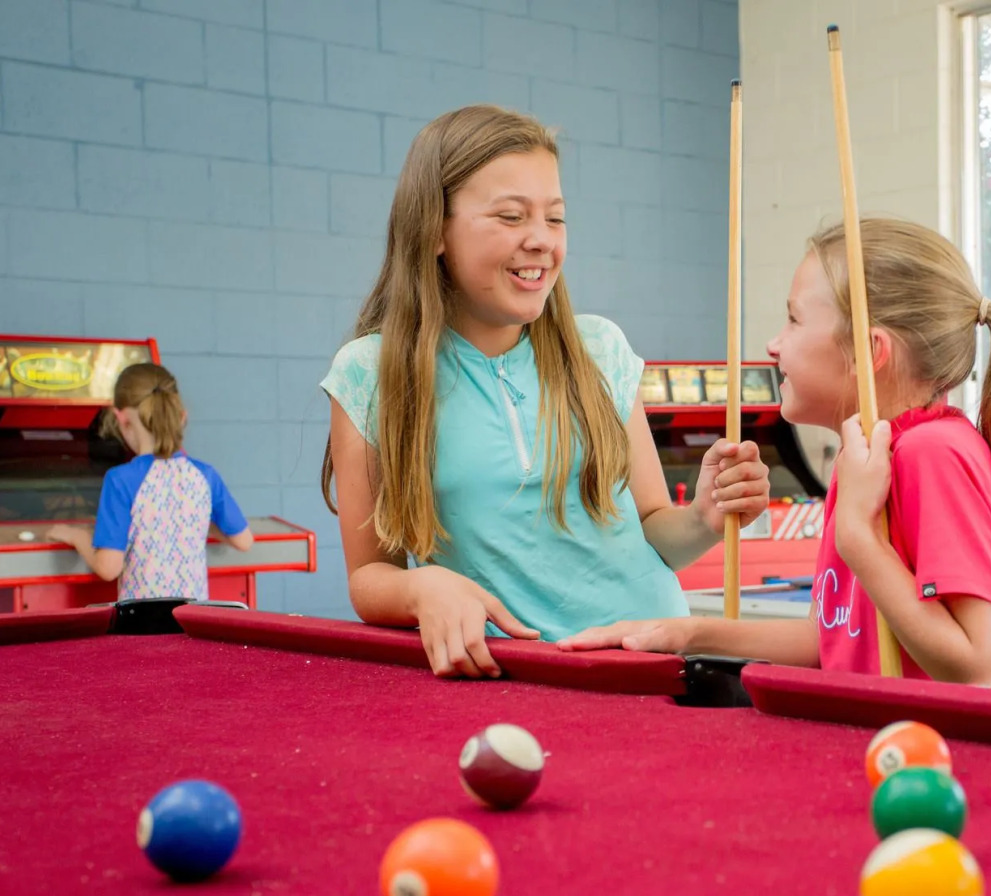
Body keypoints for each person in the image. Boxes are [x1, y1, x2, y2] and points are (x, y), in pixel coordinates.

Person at [320, 104, 769, 678]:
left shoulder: (600, 349)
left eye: (555, 219)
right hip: (514, 681)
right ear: (434, 229)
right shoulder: (368, 373)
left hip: (655, 667)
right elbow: (368, 578)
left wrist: (705, 517)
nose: (540, 240)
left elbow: (656, 530)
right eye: (510, 216)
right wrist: (421, 587)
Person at [561, 217, 991, 692]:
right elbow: (834, 642)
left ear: (869, 351)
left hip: (949, 773)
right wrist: (682, 634)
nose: (774, 344)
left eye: (794, 319)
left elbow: (982, 670)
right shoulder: (864, 457)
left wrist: (859, 536)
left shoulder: (931, 452)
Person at [48, 363, 253, 600]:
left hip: (144, 627)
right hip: (194, 622)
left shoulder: (120, 479)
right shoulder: (205, 474)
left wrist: (77, 536)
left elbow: (108, 567)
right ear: (181, 416)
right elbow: (244, 540)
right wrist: (189, 517)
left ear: (121, 419)